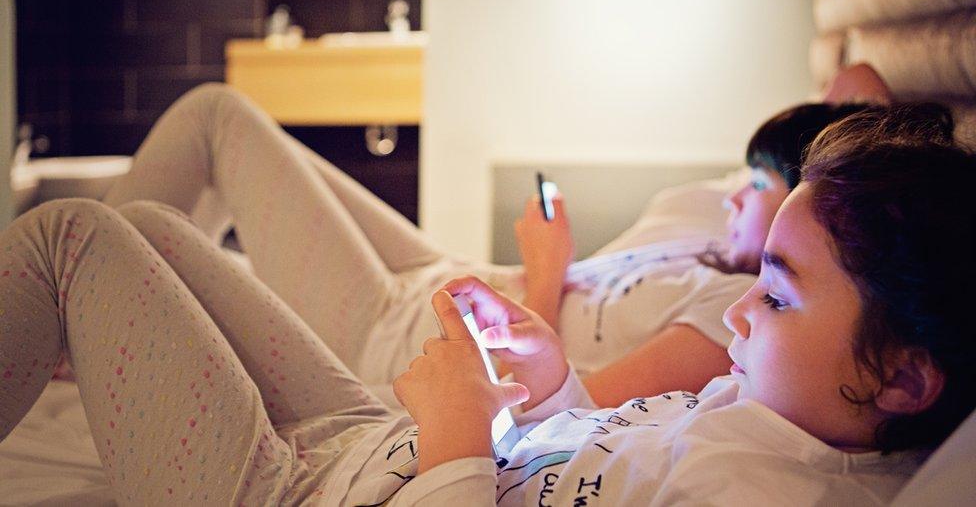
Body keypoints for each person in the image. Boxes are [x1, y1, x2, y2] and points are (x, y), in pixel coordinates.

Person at [0, 103, 971, 505]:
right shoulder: (760, 413)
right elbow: (597, 456)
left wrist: (461, 435)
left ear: (902, 375)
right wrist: (550, 385)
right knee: (146, 235)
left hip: (336, 490)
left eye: (777, 296)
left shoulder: (761, 493)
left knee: (69, 240)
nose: (738, 316)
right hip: (374, 440)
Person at [98, 83, 869, 406]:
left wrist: (546, 269)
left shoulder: (725, 315)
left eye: (760, 184)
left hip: (405, 332)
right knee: (225, 161)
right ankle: (100, 305)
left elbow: (553, 405)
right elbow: (856, 81)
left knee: (216, 117)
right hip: (434, 273)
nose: (736, 191)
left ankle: (91, 310)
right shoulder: (705, 232)